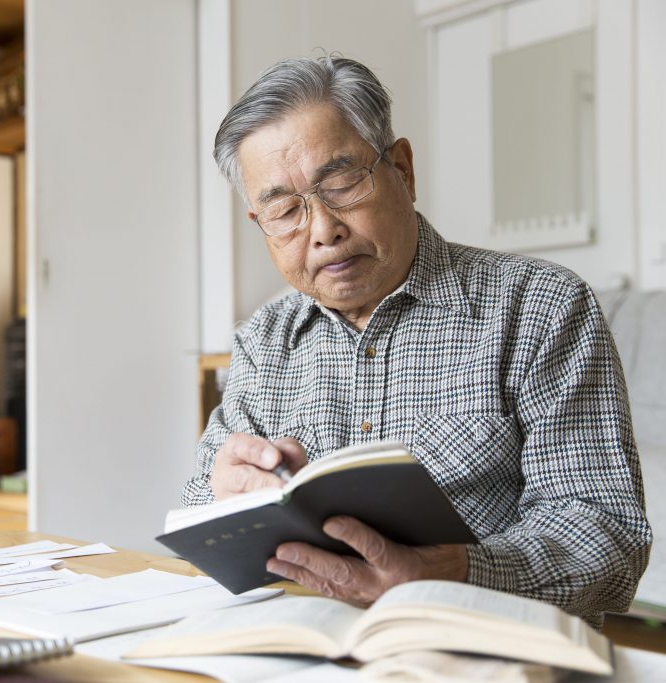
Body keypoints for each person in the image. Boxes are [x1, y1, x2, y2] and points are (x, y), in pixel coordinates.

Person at [182, 54, 650, 627]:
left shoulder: (539, 307)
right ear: (262, 225)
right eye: (285, 210)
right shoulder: (263, 340)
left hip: (487, 648)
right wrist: (224, 500)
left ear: (402, 169)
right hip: (309, 645)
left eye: (342, 182)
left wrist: (461, 572)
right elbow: (197, 517)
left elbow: (606, 532)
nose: (323, 230)